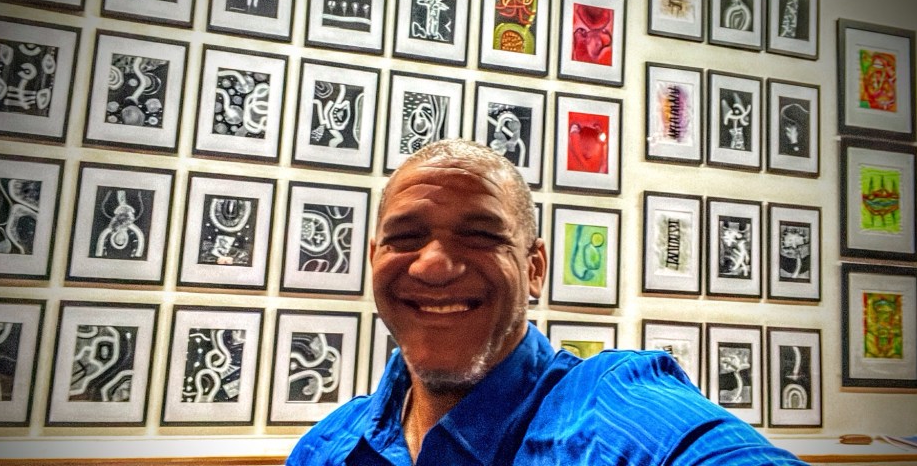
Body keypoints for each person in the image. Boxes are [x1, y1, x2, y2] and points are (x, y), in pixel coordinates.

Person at [287, 139, 807, 465]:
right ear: (373, 258)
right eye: (405, 237)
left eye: (481, 235)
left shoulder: (608, 409)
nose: (434, 265)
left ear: (534, 268)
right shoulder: (324, 448)